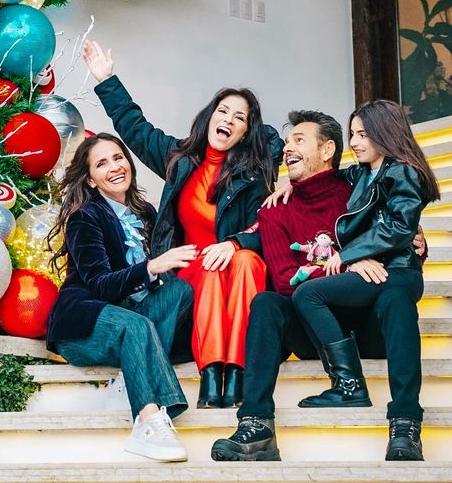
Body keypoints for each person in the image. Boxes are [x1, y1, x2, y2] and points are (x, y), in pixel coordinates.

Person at [212, 105, 434, 463]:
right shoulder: (274, 209)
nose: (286, 148)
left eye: (298, 139)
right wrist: (350, 264)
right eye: (286, 142)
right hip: (316, 330)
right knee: (267, 303)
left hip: (369, 323)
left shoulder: (357, 185)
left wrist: (415, 244)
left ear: (328, 150)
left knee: (395, 295)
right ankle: (256, 427)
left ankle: (406, 426)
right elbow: (286, 282)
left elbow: (395, 224)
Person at [83, 40, 282, 408]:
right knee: (208, 267)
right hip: (191, 269)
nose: (228, 120)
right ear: (209, 116)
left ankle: (237, 372)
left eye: (240, 118)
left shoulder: (252, 175)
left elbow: (262, 226)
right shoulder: (179, 158)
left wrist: (235, 244)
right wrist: (106, 80)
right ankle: (211, 374)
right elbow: (136, 129)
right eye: (223, 111)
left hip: (233, 266)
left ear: (244, 133)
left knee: (247, 261)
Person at [46, 133, 197, 462]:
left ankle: (133, 377)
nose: (114, 167)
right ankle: (147, 421)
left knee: (180, 291)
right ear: (90, 178)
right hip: (87, 321)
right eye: (102, 164)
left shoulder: (146, 213)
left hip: (134, 318)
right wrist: (151, 267)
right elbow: (100, 284)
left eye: (118, 158)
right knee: (136, 325)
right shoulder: (85, 217)